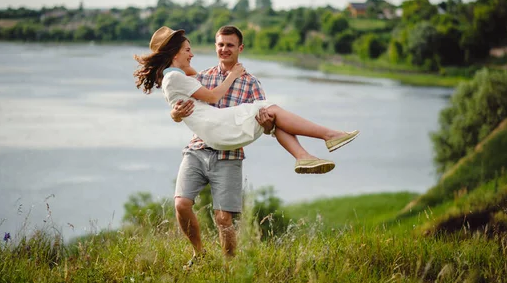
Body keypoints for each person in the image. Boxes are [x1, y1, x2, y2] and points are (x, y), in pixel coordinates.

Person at [133, 25, 359, 264]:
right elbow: (184, 104)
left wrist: (269, 123)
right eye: (220, 44)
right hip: (198, 149)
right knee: (181, 204)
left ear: (240, 48)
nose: (224, 49)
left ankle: (229, 266)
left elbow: (269, 126)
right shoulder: (201, 76)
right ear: (215, 47)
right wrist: (175, 115)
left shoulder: (251, 83)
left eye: (230, 45)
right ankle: (198, 254)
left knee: (223, 218)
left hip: (229, 153)